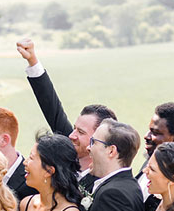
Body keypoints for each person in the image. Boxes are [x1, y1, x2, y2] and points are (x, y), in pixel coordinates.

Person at [15, 39, 115, 191]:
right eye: (75, 128)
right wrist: (32, 60)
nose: (71, 135)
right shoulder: (70, 147)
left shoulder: (106, 181)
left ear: (100, 138)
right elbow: (51, 107)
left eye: (81, 132)